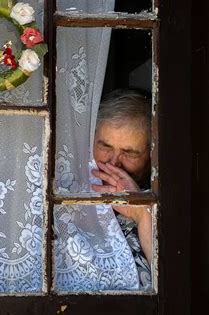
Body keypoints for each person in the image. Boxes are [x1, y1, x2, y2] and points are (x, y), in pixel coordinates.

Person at [91, 89, 152, 285]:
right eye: (105, 147)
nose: (114, 163)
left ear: (151, 157)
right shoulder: (62, 194)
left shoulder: (165, 200)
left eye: (130, 153)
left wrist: (142, 212)